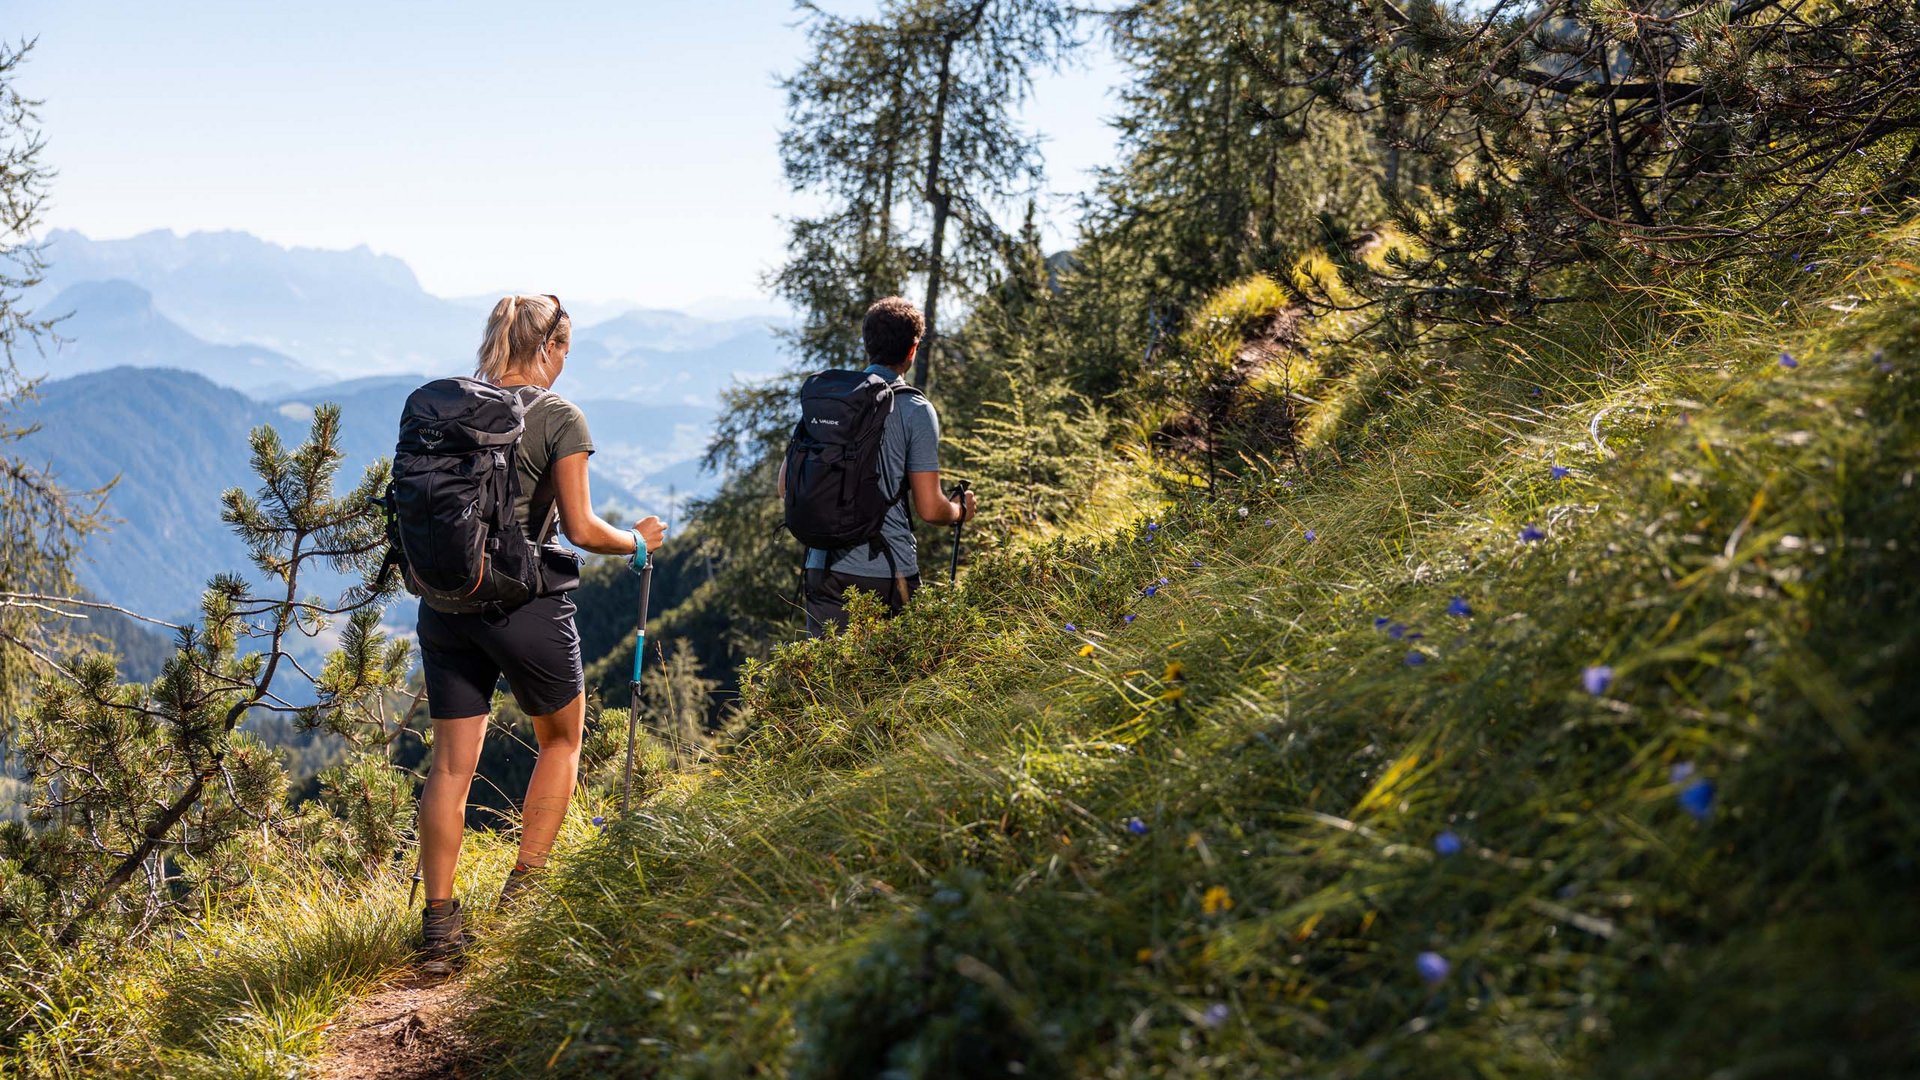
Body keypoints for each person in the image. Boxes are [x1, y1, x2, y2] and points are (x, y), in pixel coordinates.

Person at [414, 293, 665, 975]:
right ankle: (521, 900)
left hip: (446, 601)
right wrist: (637, 543)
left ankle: (440, 930)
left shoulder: (457, 408)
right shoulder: (558, 415)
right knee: (561, 739)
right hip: (523, 603)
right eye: (565, 351)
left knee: (448, 768)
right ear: (550, 347)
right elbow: (582, 530)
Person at [781, 296, 977, 636]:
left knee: (830, 685)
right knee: (895, 685)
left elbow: (785, 485)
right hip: (887, 572)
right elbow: (930, 509)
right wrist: (960, 511)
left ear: (867, 343)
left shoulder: (833, 401)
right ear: (913, 350)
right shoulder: (915, 408)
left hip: (821, 567)